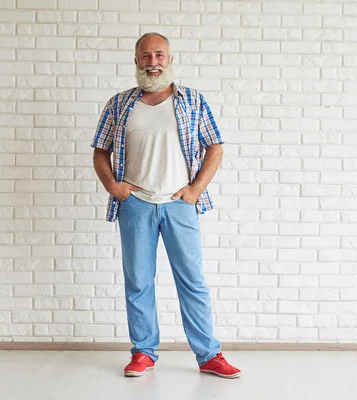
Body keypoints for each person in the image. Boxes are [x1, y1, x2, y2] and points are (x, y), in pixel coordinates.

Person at [91, 32, 241, 379]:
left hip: (179, 205)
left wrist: (195, 189)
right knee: (139, 281)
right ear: (136, 62)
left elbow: (215, 146)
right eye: (146, 56)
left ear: (169, 60)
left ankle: (208, 355)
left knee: (192, 281)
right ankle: (143, 352)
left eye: (159, 55)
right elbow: (100, 150)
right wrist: (114, 186)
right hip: (135, 206)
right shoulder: (118, 105)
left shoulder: (193, 101)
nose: (153, 62)